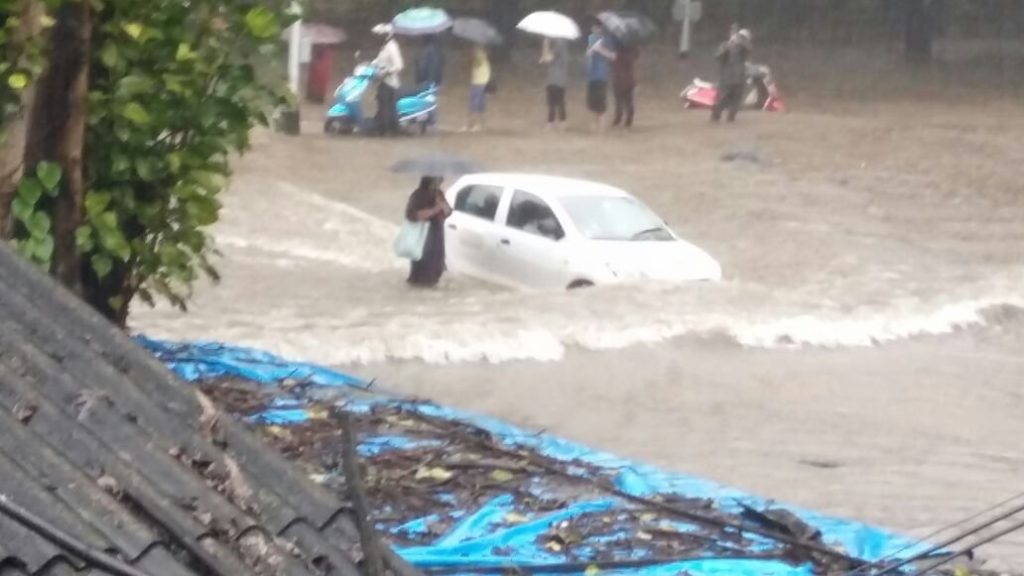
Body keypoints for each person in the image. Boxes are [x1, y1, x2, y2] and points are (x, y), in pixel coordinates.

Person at [404, 176, 452, 287]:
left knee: (437, 265)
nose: (440, 182)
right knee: (422, 269)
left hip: (437, 234)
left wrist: (443, 206)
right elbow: (413, 215)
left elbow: (448, 212)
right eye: (438, 180)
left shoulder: (439, 193)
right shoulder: (417, 195)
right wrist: (435, 209)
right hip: (422, 236)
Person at [711, 26, 751, 123]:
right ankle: (716, 114)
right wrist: (728, 46)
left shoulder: (743, 49)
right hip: (727, 78)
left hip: (739, 77)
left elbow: (748, 49)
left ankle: (731, 118)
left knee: (737, 99)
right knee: (724, 99)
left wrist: (739, 42)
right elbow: (718, 56)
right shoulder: (724, 45)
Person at [372, 24, 403, 136]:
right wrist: (369, 65)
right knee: (381, 104)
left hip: (390, 83)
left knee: (386, 107)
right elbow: (378, 61)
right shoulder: (384, 47)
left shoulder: (392, 47)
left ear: (386, 35)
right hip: (382, 81)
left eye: (380, 35)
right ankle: (381, 127)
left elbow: (399, 65)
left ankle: (388, 129)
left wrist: (387, 72)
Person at [585, 22, 616, 132]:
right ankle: (593, 126)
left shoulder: (607, 39)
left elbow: (613, 56)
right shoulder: (591, 38)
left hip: (601, 74)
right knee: (591, 102)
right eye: (592, 27)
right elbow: (588, 54)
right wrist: (591, 50)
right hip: (591, 75)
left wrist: (600, 50)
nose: (594, 29)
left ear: (600, 28)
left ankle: (601, 127)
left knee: (601, 102)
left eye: (596, 27)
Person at [540, 37, 569, 130]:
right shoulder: (561, 44)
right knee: (559, 102)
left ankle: (551, 123)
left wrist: (545, 45)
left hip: (555, 78)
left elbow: (547, 59)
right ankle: (562, 123)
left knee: (553, 102)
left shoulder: (559, 45)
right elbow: (545, 59)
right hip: (559, 78)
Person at [611, 39, 639, 129]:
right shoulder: (631, 54)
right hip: (629, 80)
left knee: (618, 101)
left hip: (618, 80)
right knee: (629, 101)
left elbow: (611, 63)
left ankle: (617, 119)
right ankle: (628, 120)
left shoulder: (616, 54)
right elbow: (636, 55)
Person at [464, 44, 491, 132]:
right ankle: (481, 125)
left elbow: (475, 62)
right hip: (484, 83)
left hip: (478, 84)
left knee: (474, 105)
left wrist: (471, 56)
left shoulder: (479, 57)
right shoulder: (484, 57)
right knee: (481, 106)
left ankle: (472, 125)